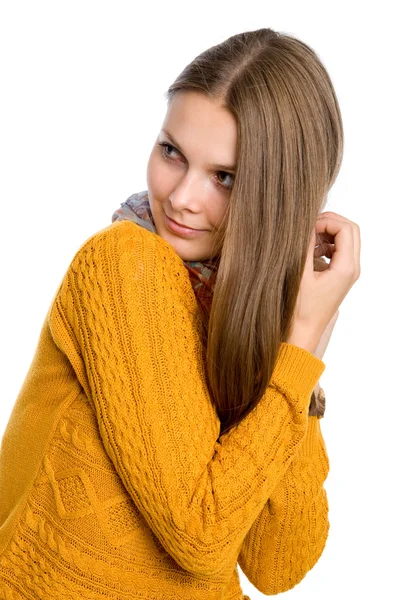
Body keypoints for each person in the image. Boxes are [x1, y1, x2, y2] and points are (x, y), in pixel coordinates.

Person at [0, 27, 360, 599]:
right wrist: (302, 343)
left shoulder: (247, 323)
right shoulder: (126, 264)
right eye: (172, 152)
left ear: (279, 195)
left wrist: (297, 344)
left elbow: (279, 561)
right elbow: (199, 536)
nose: (182, 197)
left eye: (225, 177)